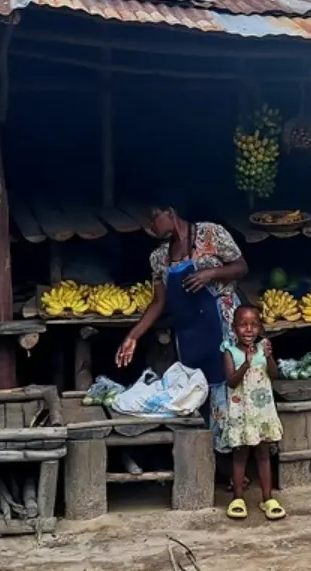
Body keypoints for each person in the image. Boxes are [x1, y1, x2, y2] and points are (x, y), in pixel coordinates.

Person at [115, 202, 249, 416]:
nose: (150, 227)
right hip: (190, 333)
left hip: (222, 325)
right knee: (195, 388)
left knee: (228, 384)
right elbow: (158, 302)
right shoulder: (159, 258)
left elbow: (241, 267)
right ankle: (205, 442)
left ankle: (229, 444)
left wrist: (211, 273)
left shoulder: (211, 233)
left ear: (170, 213)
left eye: (153, 219)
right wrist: (133, 336)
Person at [217, 305, 284, 520]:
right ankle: (238, 498)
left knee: (264, 454)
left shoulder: (264, 348)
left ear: (260, 328)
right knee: (240, 454)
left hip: (262, 412)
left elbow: (273, 375)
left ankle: (268, 498)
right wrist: (246, 363)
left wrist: (269, 357)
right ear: (234, 327)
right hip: (241, 413)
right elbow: (231, 381)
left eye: (254, 325)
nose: (248, 330)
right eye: (243, 325)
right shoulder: (229, 351)